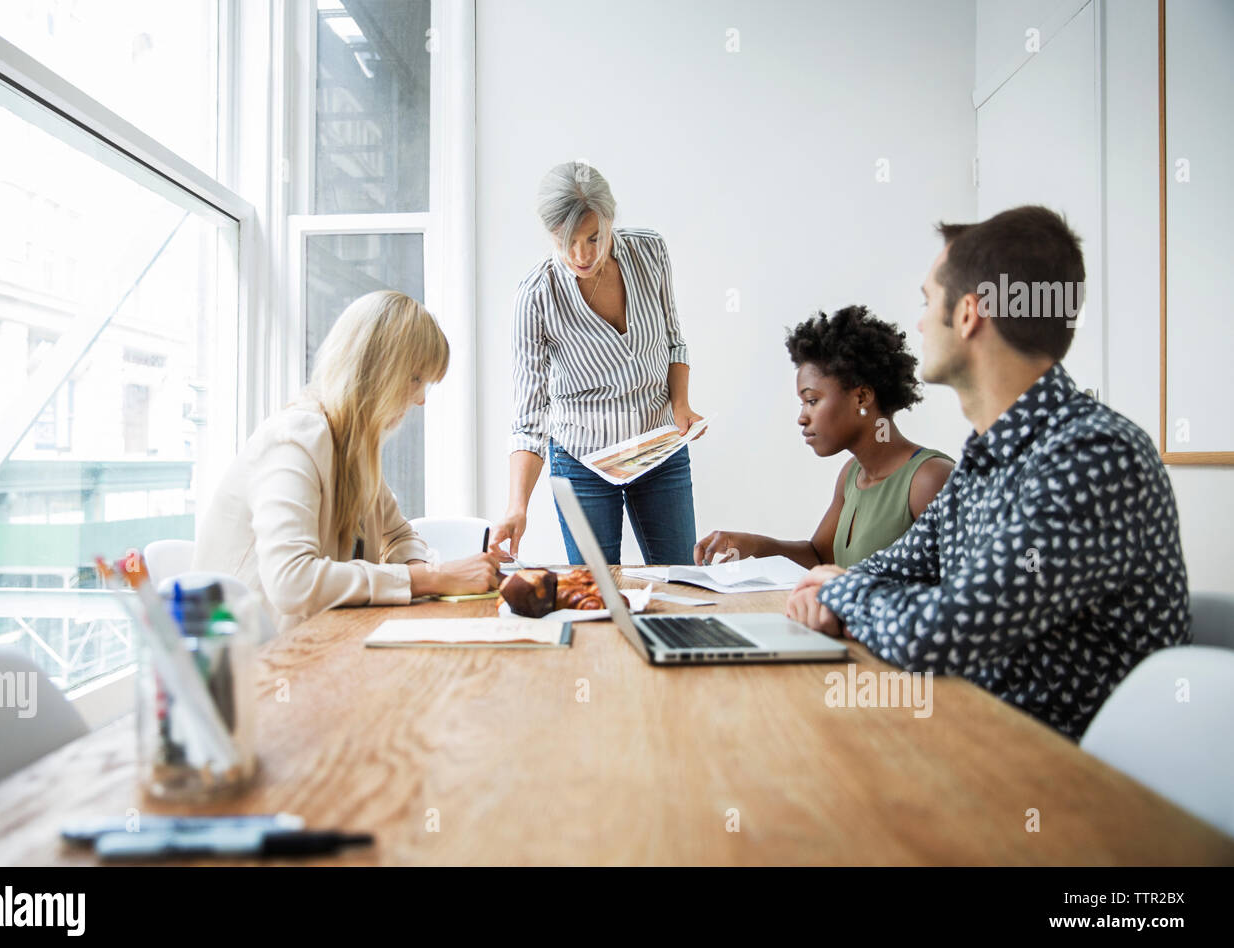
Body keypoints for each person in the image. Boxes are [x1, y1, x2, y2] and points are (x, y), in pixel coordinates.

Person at [786, 205, 1191, 741]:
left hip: (1067, 785)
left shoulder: (1093, 455)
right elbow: (894, 567)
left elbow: (943, 632)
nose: (920, 321)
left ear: (970, 314)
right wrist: (838, 585)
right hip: (976, 741)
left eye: (928, 301)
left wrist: (837, 594)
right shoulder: (984, 457)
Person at [193, 290, 499, 632]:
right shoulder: (295, 439)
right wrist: (432, 577)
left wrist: (425, 570)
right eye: (415, 378)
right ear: (379, 369)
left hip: (310, 640)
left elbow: (397, 534)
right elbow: (292, 581)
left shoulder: (354, 446)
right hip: (242, 661)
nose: (420, 399)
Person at [488, 162, 705, 566]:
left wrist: (680, 405)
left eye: (594, 237)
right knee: (598, 590)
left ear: (610, 219)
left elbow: (674, 341)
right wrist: (517, 507)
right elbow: (530, 419)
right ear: (549, 233)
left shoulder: (650, 252)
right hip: (583, 460)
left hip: (658, 447)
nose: (582, 255)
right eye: (566, 241)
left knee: (682, 579)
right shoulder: (536, 296)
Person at [695, 305, 953, 568]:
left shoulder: (930, 480)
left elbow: (963, 595)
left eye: (812, 400)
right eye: (802, 403)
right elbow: (820, 558)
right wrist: (753, 545)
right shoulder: (852, 475)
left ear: (861, 397)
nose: (802, 417)